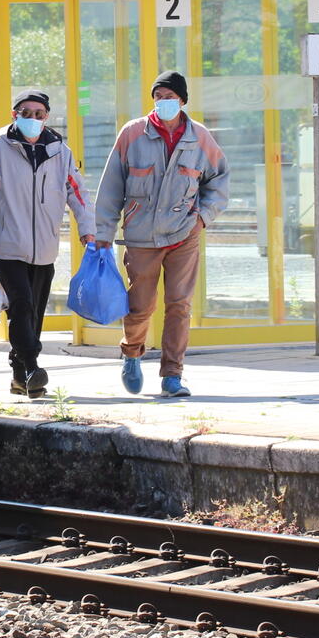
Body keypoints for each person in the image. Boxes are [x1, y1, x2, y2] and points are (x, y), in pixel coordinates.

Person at [93, 71, 229, 398]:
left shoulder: (200, 137)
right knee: (140, 305)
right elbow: (111, 187)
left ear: (182, 101)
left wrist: (202, 219)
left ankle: (172, 375)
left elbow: (219, 181)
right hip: (141, 237)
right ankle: (131, 352)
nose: (164, 102)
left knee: (179, 304)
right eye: (159, 96)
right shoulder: (133, 134)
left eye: (170, 97)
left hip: (184, 234)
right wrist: (102, 232)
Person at [0, 90, 95, 398]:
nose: (33, 118)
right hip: (7, 245)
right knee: (20, 305)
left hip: (45, 248)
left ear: (46, 117)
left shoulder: (59, 151)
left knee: (32, 312)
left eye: (39, 114)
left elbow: (77, 192)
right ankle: (34, 365)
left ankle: (20, 375)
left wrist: (87, 229)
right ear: (15, 114)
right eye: (26, 113)